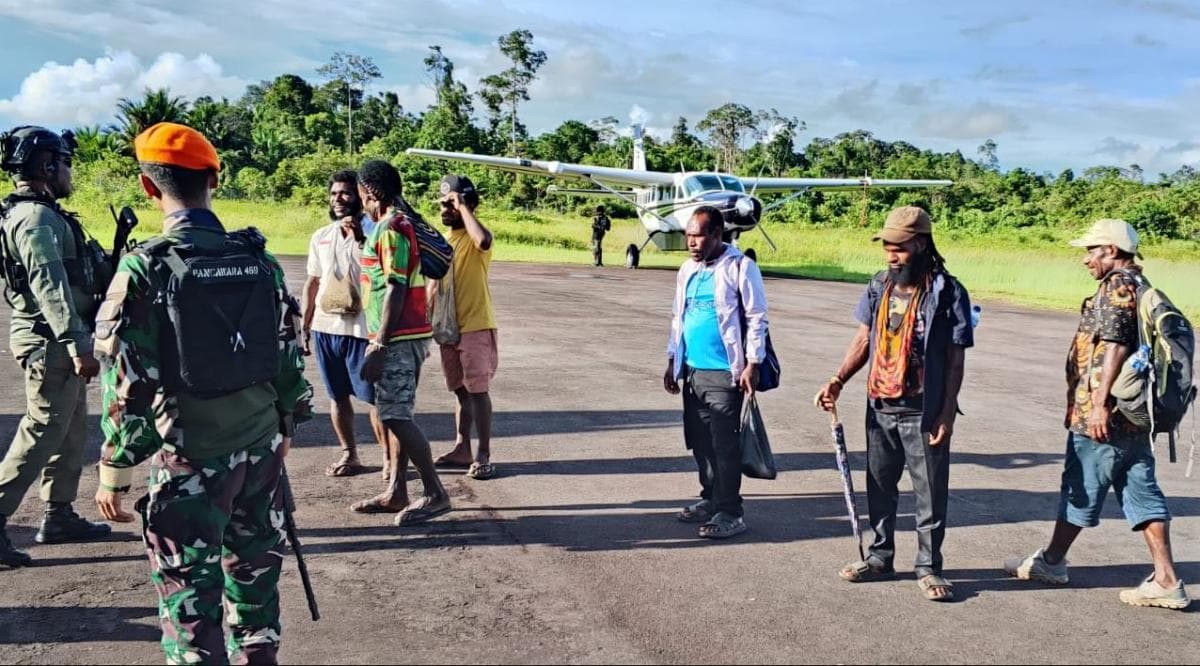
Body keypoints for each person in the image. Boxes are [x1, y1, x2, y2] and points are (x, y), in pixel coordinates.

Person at [91, 122, 314, 662]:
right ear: (215, 179)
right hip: (260, 449)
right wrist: (285, 425)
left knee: (189, 593)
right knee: (256, 576)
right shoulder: (257, 260)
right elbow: (288, 356)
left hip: (191, 456)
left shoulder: (145, 267)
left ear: (149, 187)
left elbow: (128, 382)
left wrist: (115, 468)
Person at [1003, 219, 1190, 610]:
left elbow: (1115, 345)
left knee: (1081, 484)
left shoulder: (1116, 286)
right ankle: (1166, 579)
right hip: (1134, 414)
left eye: (1092, 250)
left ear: (1112, 250)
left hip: (1106, 413)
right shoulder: (1139, 285)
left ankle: (1051, 562)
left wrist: (1099, 404)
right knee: (1141, 489)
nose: (1086, 259)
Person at [816, 205, 973, 602]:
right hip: (880, 404)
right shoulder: (879, 285)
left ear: (920, 244)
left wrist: (947, 412)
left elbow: (956, 358)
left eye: (899, 247)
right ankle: (880, 557)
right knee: (880, 485)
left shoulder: (948, 292)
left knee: (930, 492)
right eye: (887, 246)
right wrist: (837, 379)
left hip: (924, 408)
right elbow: (864, 338)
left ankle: (928, 566)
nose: (891, 254)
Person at [0, 125, 109, 568]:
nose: (69, 170)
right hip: (52, 340)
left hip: (60, 339)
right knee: (44, 428)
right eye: (64, 161)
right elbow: (50, 286)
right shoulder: (37, 219)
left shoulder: (40, 213)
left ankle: (58, 513)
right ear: (47, 166)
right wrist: (78, 343)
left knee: (69, 428)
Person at [350, 159, 451, 525]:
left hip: (398, 336)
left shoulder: (392, 227)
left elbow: (394, 286)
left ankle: (435, 494)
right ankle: (397, 491)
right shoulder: (387, 226)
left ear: (369, 191)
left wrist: (379, 344)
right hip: (401, 334)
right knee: (394, 412)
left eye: (360, 191)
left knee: (395, 414)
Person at [664, 205, 767, 539]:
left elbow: (756, 317)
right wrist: (672, 360)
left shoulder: (740, 267)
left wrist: (752, 363)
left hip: (726, 373)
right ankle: (710, 498)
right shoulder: (687, 269)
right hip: (692, 370)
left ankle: (731, 512)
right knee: (700, 443)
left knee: (724, 445)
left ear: (717, 234)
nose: (691, 242)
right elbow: (679, 317)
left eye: (698, 236)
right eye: (688, 235)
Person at [302, 169, 389, 478]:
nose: (338, 199)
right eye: (334, 193)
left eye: (346, 193)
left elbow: (387, 278)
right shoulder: (321, 236)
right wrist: (305, 324)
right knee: (337, 396)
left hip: (362, 331)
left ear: (361, 197)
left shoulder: (377, 232)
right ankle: (349, 453)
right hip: (326, 329)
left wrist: (361, 238)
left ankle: (389, 460)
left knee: (374, 399)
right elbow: (313, 282)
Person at [430, 174, 499, 480]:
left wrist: (463, 207)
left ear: (467, 204)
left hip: (475, 325)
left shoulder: (475, 238)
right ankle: (462, 447)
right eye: (443, 203)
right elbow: (434, 283)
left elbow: (483, 239)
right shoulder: (445, 241)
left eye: (452, 203)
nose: (446, 208)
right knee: (459, 391)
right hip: (448, 327)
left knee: (478, 390)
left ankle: (483, 453)